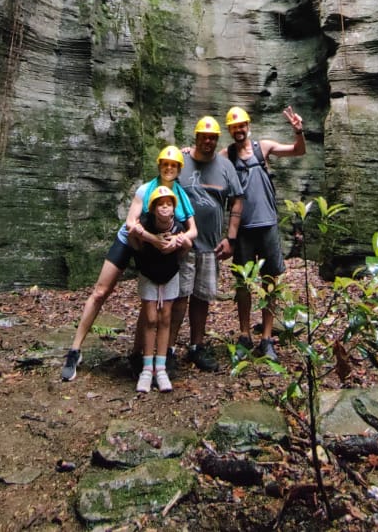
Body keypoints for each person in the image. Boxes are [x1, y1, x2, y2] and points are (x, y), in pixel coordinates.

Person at [60, 146, 195, 382]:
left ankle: (136, 353)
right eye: (165, 164)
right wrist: (153, 239)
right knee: (101, 291)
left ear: (179, 169)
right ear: (159, 165)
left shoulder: (180, 196)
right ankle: (74, 350)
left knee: (151, 297)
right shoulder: (146, 189)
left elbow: (191, 229)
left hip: (156, 250)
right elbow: (131, 223)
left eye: (174, 165)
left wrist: (177, 240)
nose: (169, 168)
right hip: (133, 241)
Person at [224, 105, 306, 360]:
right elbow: (204, 161)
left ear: (248, 125)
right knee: (243, 285)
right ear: (230, 129)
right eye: (234, 126)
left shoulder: (264, 147)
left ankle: (267, 338)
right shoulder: (226, 155)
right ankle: (244, 334)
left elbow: (297, 151)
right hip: (243, 230)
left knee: (270, 280)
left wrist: (298, 132)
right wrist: (186, 152)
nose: (239, 130)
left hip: (267, 224)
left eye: (242, 125)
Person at [168, 116, 244, 372]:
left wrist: (230, 238)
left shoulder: (225, 166)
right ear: (196, 137)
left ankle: (196, 347)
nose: (208, 141)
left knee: (202, 297)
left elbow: (236, 201)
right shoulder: (181, 160)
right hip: (182, 244)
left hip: (211, 246)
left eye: (213, 137)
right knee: (179, 297)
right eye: (204, 136)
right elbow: (163, 188)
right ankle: (167, 350)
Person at [130, 186, 191, 392]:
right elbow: (133, 238)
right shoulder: (145, 223)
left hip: (170, 275)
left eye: (168, 204)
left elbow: (186, 249)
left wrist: (183, 243)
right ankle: (147, 369)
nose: (164, 208)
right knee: (150, 318)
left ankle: (161, 367)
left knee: (165, 317)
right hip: (148, 274)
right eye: (160, 204)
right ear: (153, 208)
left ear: (174, 208)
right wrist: (145, 237)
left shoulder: (179, 227)